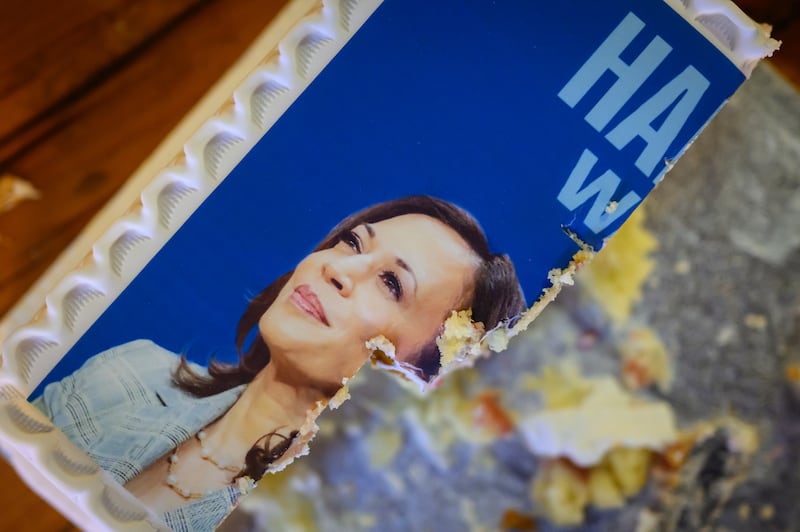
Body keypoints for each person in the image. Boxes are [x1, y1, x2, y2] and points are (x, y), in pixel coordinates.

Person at [33, 195, 525, 531]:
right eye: (353, 242)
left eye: (391, 283)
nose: (337, 267)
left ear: (419, 377)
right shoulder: (126, 373)